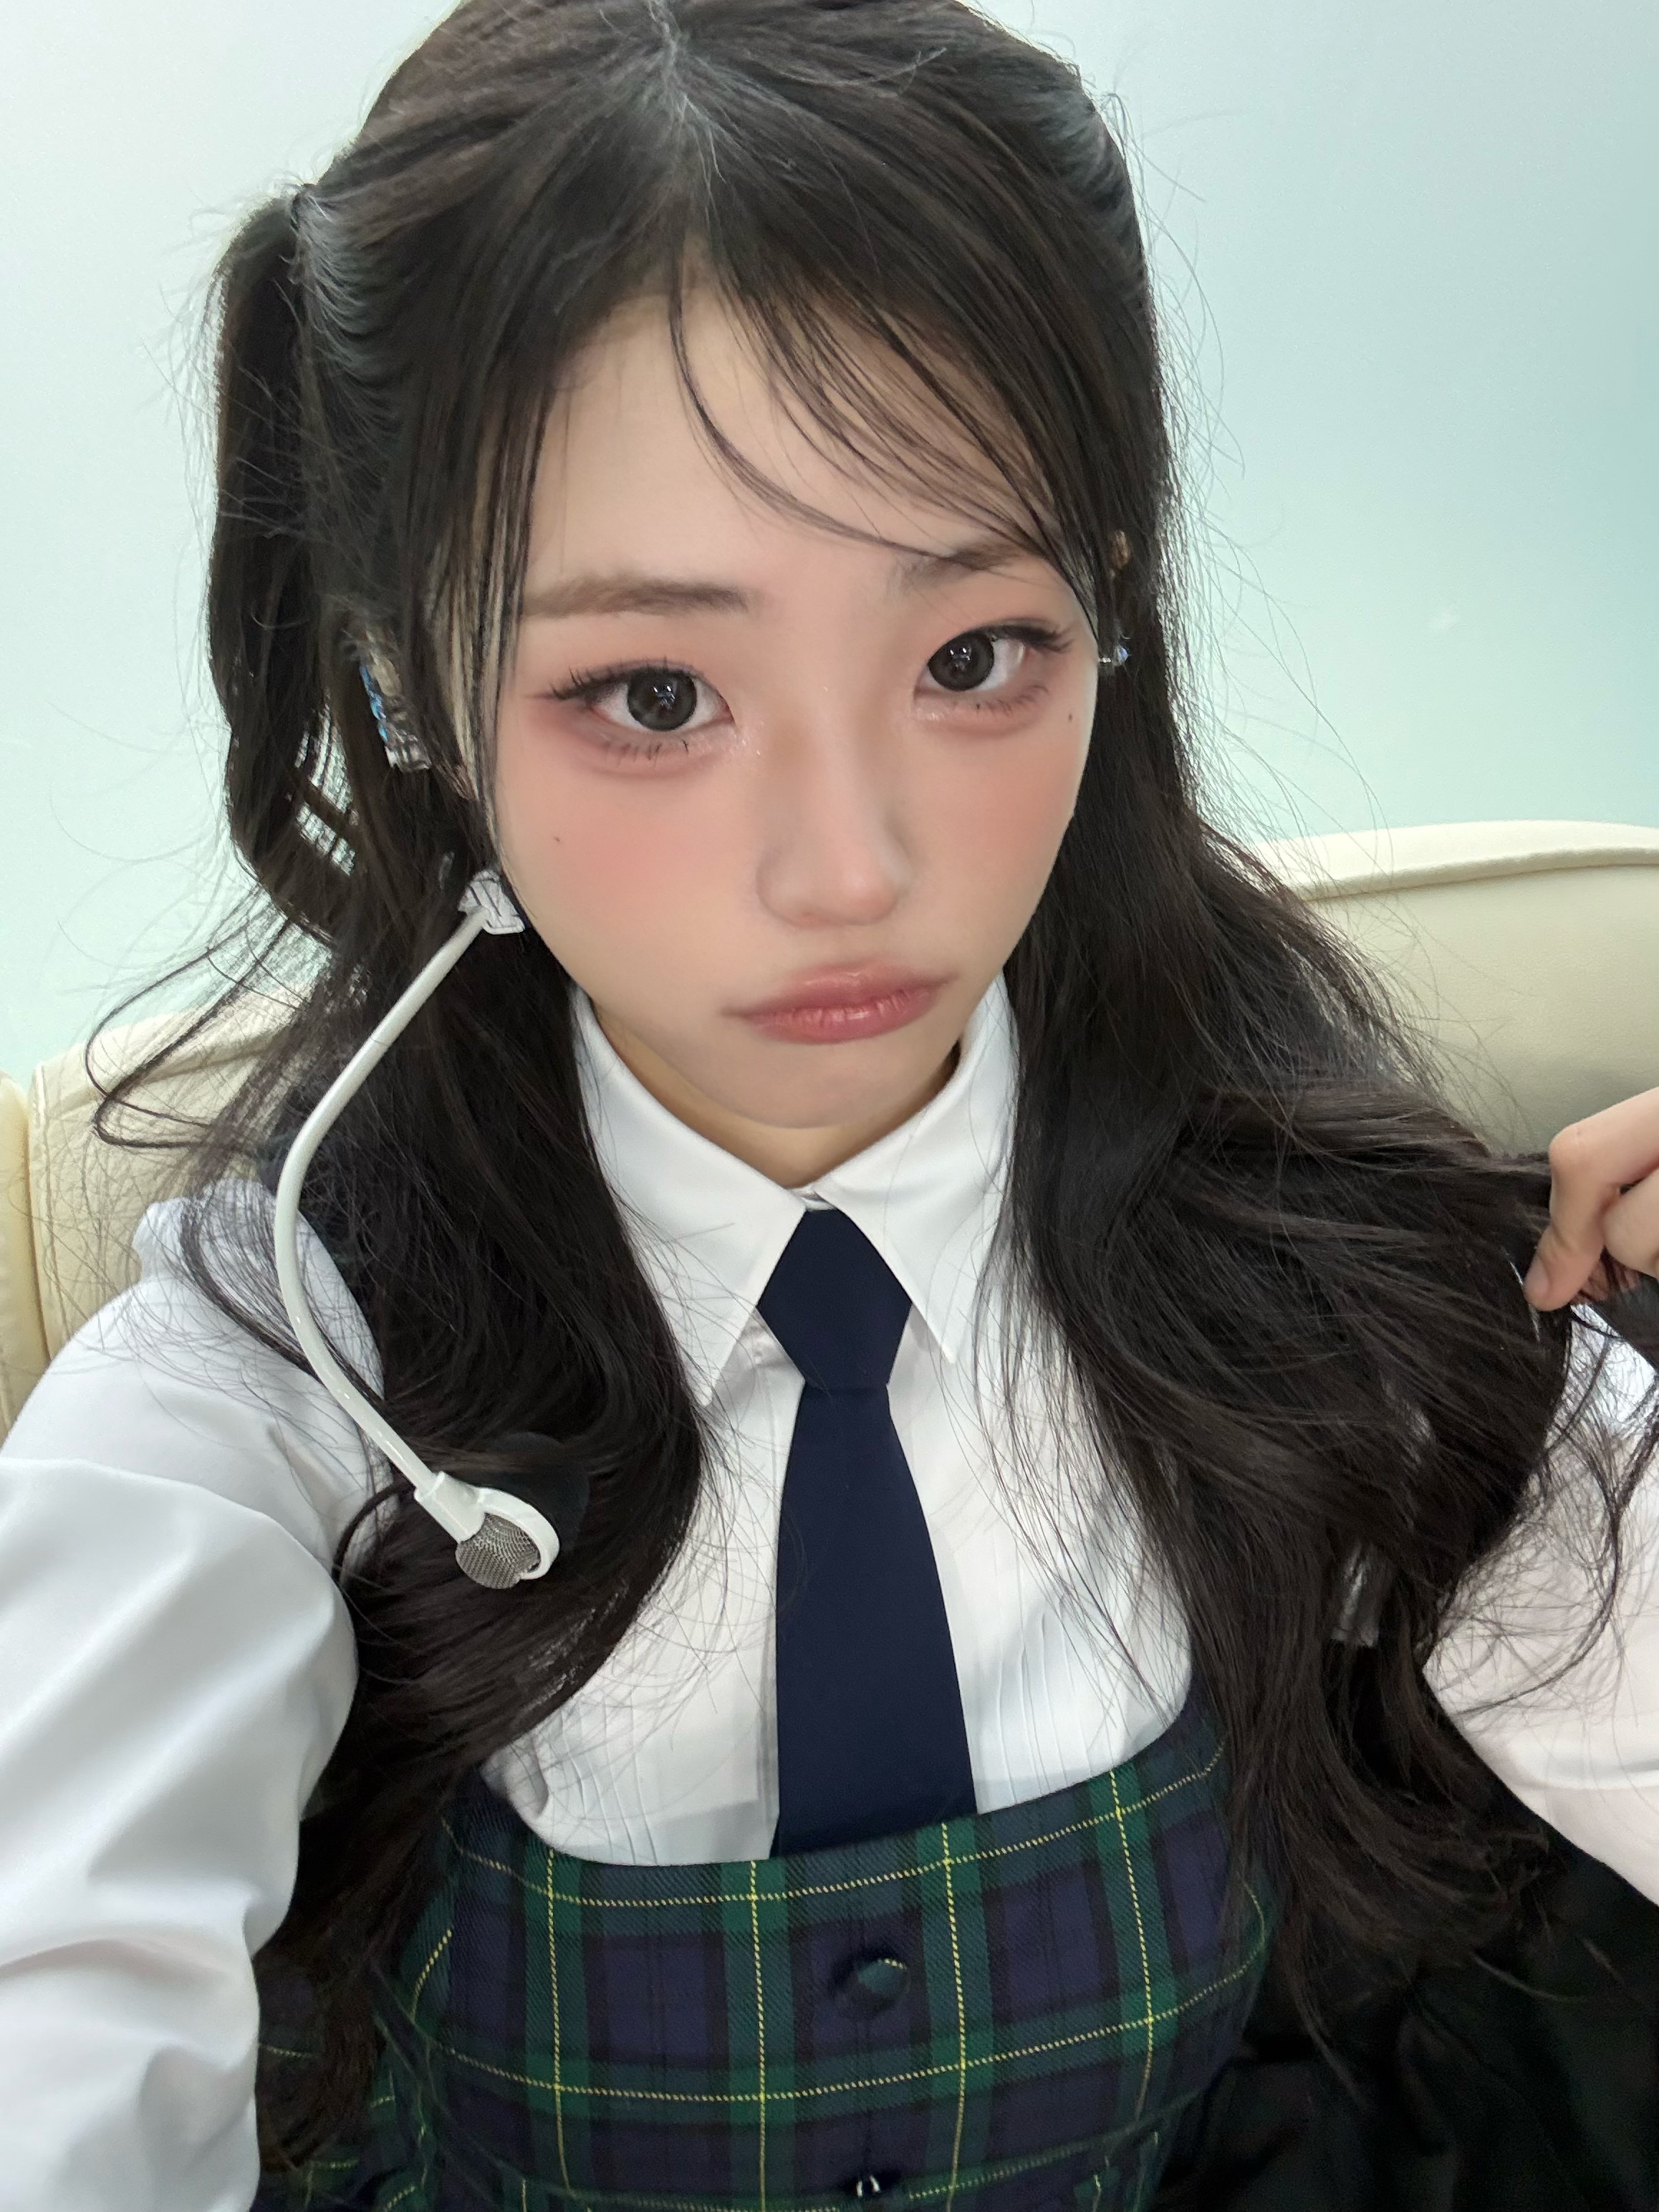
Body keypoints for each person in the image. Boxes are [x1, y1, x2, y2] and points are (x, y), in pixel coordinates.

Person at [1, 3, 1657, 2207]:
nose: (853, 869)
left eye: (972, 657)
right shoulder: (270, 1383)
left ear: (1110, 610)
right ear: (406, 685)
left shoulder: (1331, 1288)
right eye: (652, 693)